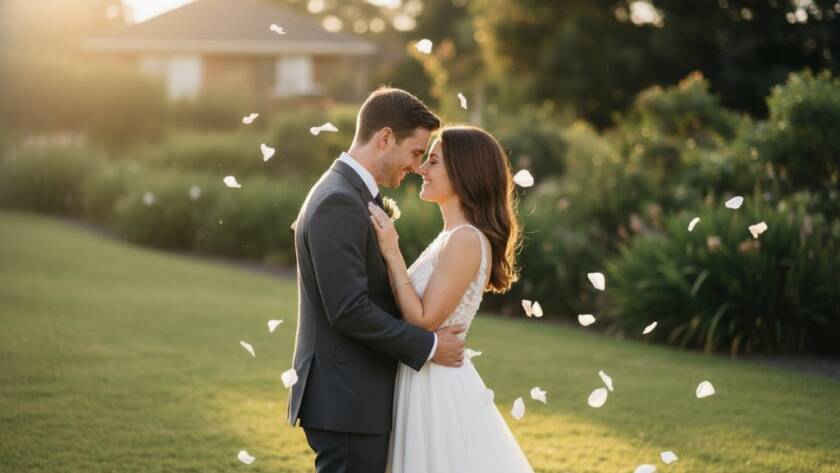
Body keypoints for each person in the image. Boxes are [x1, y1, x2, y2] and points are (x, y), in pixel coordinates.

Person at [287, 87, 467, 473]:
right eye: (416, 153)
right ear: (385, 138)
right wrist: (429, 346)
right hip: (347, 398)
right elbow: (349, 309)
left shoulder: (350, 194)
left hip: (354, 395)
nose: (417, 166)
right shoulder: (339, 201)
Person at [368, 125, 534, 473]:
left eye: (433, 161)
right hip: (423, 374)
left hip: (436, 385)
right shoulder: (450, 235)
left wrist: (392, 251)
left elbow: (424, 319)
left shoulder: (466, 239)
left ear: (463, 173)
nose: (421, 169)